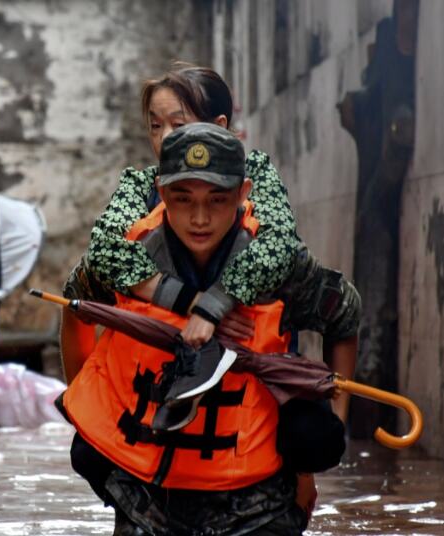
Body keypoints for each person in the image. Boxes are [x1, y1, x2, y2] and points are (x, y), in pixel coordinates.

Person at [61, 123, 360, 534]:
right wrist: (85, 404)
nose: (199, 219)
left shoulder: (276, 263)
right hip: (146, 496)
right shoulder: (128, 258)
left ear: (242, 194)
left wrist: (332, 428)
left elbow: (344, 315)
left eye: (217, 200)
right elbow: (75, 304)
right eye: (183, 200)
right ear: (163, 194)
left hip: (257, 501)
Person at [61, 63, 302, 388]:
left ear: (219, 127)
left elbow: (280, 246)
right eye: (155, 126)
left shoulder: (256, 175)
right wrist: (191, 302)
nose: (163, 139)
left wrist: (216, 303)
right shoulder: (142, 184)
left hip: (247, 349)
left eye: (178, 124)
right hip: (160, 347)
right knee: (80, 285)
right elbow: (104, 254)